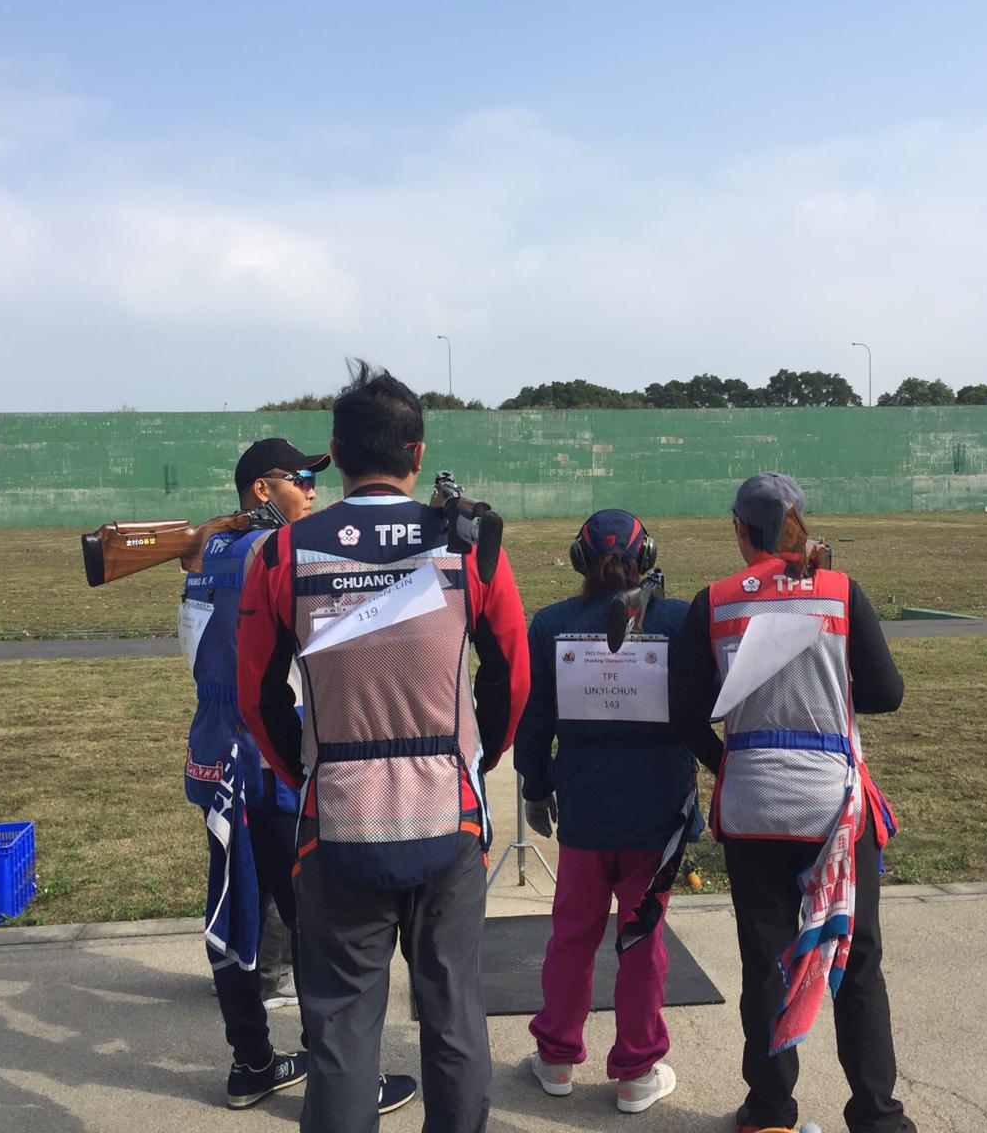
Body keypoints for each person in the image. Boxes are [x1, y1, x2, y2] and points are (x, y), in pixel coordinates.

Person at [238, 362, 530, 1133]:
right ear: (417, 451)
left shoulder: (282, 554)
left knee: (340, 1035)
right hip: (449, 815)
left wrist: (307, 771)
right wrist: (478, 762)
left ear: (335, 453)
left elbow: (257, 697)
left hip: (336, 818)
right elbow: (511, 675)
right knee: (454, 1016)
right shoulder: (470, 545)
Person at [668, 472, 914, 1133]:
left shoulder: (715, 602)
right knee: (858, 963)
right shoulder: (840, 590)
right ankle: (878, 1116)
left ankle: (771, 1111)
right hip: (835, 806)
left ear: (740, 530)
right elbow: (887, 693)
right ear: (799, 522)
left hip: (752, 806)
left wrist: (730, 762)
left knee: (766, 966)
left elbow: (686, 712)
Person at [183, 436, 415, 1114]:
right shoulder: (271, 552)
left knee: (235, 910)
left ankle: (251, 1062)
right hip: (266, 752)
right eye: (300, 479)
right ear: (263, 490)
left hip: (215, 751)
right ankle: (342, 1077)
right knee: (316, 921)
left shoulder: (206, 551)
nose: (313, 489)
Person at [514, 509, 696, 1114]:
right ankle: (637, 1070)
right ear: (648, 558)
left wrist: (535, 785)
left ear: (577, 559)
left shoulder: (552, 624)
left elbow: (534, 719)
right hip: (658, 808)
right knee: (642, 939)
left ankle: (557, 1057)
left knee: (573, 934)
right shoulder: (675, 619)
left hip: (585, 806)